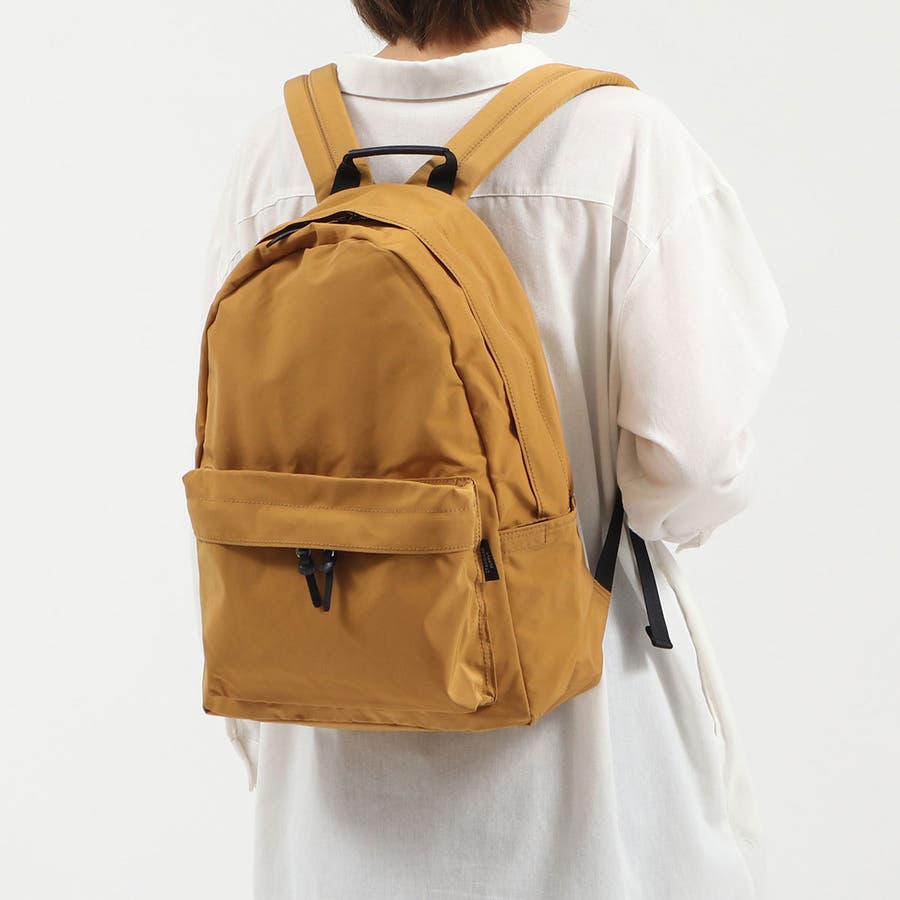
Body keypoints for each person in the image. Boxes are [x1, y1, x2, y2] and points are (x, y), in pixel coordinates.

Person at [201, 2, 789, 897]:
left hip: (324, 742)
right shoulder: (620, 141)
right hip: (577, 736)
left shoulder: (273, 149)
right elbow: (695, 462)